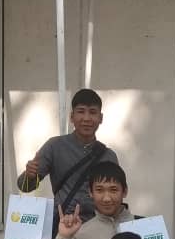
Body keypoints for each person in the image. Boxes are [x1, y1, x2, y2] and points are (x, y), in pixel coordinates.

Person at [16, 88, 119, 222]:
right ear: (71, 117)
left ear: (101, 118)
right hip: (62, 224)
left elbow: (116, 196)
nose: (86, 118)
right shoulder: (55, 146)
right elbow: (24, 187)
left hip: (97, 226)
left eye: (93, 112)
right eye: (81, 111)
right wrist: (29, 175)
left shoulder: (109, 156)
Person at [52, 161, 136, 239]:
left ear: (125, 191)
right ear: (90, 192)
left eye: (113, 190)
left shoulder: (145, 226)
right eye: (99, 190)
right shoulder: (81, 233)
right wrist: (64, 237)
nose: (106, 198)